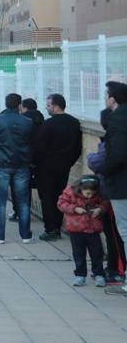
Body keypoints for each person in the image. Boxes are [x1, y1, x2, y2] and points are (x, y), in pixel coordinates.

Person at [0, 93, 36, 244]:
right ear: (19, 105)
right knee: (23, 201)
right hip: (22, 164)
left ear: (5, 103)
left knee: (0, 201)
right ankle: (26, 235)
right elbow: (32, 140)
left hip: (1, 164)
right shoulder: (27, 121)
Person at [35, 93, 84, 241]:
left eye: (48, 105)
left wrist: (36, 163)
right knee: (59, 196)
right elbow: (77, 148)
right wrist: (68, 162)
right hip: (64, 166)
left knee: (47, 197)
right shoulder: (74, 123)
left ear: (56, 106)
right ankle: (57, 225)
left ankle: (51, 229)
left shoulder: (48, 124)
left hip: (46, 167)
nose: (46, 107)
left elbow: (40, 147)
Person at [88, 108, 127, 287]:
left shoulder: (112, 143)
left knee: (115, 234)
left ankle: (117, 270)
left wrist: (90, 157)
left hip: (113, 192)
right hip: (113, 191)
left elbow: (99, 163)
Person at [58, 175, 111, 287]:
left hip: (93, 229)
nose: (89, 195)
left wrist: (100, 209)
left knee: (97, 253)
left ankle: (98, 274)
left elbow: (105, 203)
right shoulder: (70, 192)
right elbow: (61, 204)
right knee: (78, 253)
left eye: (92, 193)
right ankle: (80, 275)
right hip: (76, 228)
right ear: (80, 188)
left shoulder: (99, 193)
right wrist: (74, 208)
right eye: (87, 193)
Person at [102, 80, 127, 296]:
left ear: (112, 98)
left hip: (122, 184)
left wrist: (104, 169)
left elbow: (118, 154)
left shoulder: (117, 119)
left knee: (125, 230)